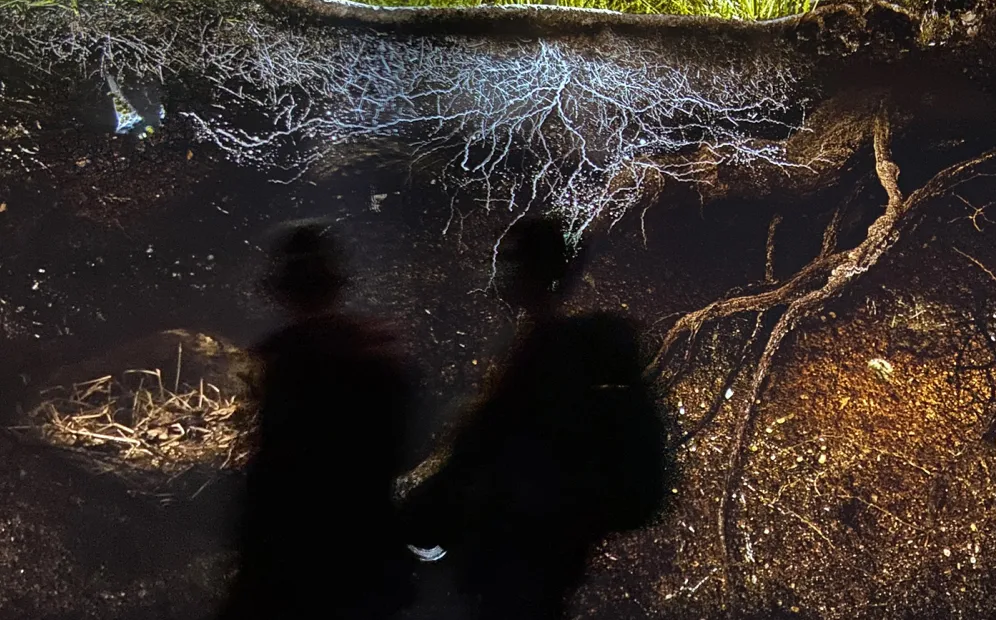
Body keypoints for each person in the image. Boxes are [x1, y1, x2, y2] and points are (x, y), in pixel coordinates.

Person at [403, 216, 667, 620]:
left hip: (519, 545)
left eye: (511, 257)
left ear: (532, 268)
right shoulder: (567, 350)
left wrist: (420, 514)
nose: (501, 268)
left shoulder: (544, 353)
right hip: (548, 547)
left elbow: (485, 445)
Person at [220, 220, 416, 620]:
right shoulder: (380, 354)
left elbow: (265, 467)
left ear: (281, 289)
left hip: (289, 559)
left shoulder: (275, 361)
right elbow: (398, 452)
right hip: (364, 554)